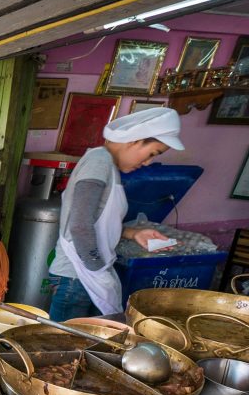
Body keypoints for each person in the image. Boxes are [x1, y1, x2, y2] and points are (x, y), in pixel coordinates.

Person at [47, 108, 184, 320]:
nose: (147, 163)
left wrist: (133, 234)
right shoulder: (98, 161)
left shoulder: (107, 165)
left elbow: (98, 222)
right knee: (63, 346)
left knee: (83, 344)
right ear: (135, 141)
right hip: (76, 278)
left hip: (82, 277)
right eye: (152, 154)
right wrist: (97, 269)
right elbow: (80, 224)